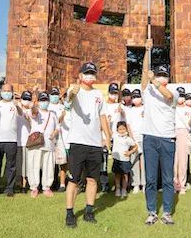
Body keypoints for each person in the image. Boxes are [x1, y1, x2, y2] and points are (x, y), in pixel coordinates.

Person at [64, 62, 111, 228]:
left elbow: (103, 116)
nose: (90, 76)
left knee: (92, 180)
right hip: (78, 142)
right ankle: (70, 213)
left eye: (92, 73)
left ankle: (89, 211)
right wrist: (71, 95)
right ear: (81, 76)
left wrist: (108, 136)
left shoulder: (98, 94)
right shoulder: (74, 90)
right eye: (87, 73)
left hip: (95, 143)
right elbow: (67, 104)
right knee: (74, 180)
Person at [140, 48, 178, 226]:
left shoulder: (173, 92)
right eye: (159, 75)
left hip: (167, 138)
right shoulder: (147, 91)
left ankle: (168, 212)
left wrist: (154, 80)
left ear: (167, 79)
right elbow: (143, 73)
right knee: (151, 178)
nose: (162, 78)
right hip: (150, 138)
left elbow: (167, 95)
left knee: (168, 178)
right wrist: (147, 51)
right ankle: (152, 212)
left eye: (164, 76)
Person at [26, 91, 58, 198]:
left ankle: (46, 187)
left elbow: (57, 128)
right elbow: (33, 112)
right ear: (39, 102)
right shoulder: (36, 112)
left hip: (49, 144)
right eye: (42, 100)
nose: (44, 102)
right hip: (36, 143)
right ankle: (34, 188)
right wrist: (33, 105)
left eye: (46, 100)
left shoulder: (52, 114)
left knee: (49, 166)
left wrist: (54, 134)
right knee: (34, 165)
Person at [0, 83, 21, 197]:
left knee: (11, 166)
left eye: (9, 91)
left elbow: (22, 113)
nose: (7, 93)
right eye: (5, 90)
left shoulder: (15, 105)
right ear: (1, 92)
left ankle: (9, 188)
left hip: (11, 139)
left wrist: (16, 103)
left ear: (12, 92)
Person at [49, 87, 69, 192]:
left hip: (61, 137)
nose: (54, 96)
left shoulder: (63, 107)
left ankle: (62, 184)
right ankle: (52, 183)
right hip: (50, 137)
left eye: (56, 94)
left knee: (62, 162)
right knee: (50, 162)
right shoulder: (47, 106)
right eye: (53, 94)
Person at [173, 89, 191, 193]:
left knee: (183, 161)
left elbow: (190, 124)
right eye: (179, 96)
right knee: (173, 161)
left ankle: (182, 185)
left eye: (182, 96)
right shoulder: (171, 108)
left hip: (184, 133)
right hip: (172, 133)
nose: (180, 98)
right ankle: (174, 184)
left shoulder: (189, 109)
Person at [126, 88, 146, 193]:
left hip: (144, 138)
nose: (136, 99)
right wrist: (132, 139)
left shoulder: (146, 108)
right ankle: (136, 184)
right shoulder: (130, 110)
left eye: (138, 97)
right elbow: (128, 125)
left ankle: (145, 184)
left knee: (144, 163)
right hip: (134, 139)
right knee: (134, 162)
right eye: (134, 97)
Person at [112, 121, 138, 198]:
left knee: (125, 175)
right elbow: (110, 131)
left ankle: (124, 189)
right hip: (117, 159)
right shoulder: (115, 136)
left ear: (126, 129)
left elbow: (135, 146)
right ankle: (118, 189)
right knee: (117, 175)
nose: (122, 130)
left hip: (125, 160)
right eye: (120, 129)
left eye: (123, 129)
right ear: (117, 130)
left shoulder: (128, 139)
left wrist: (130, 152)